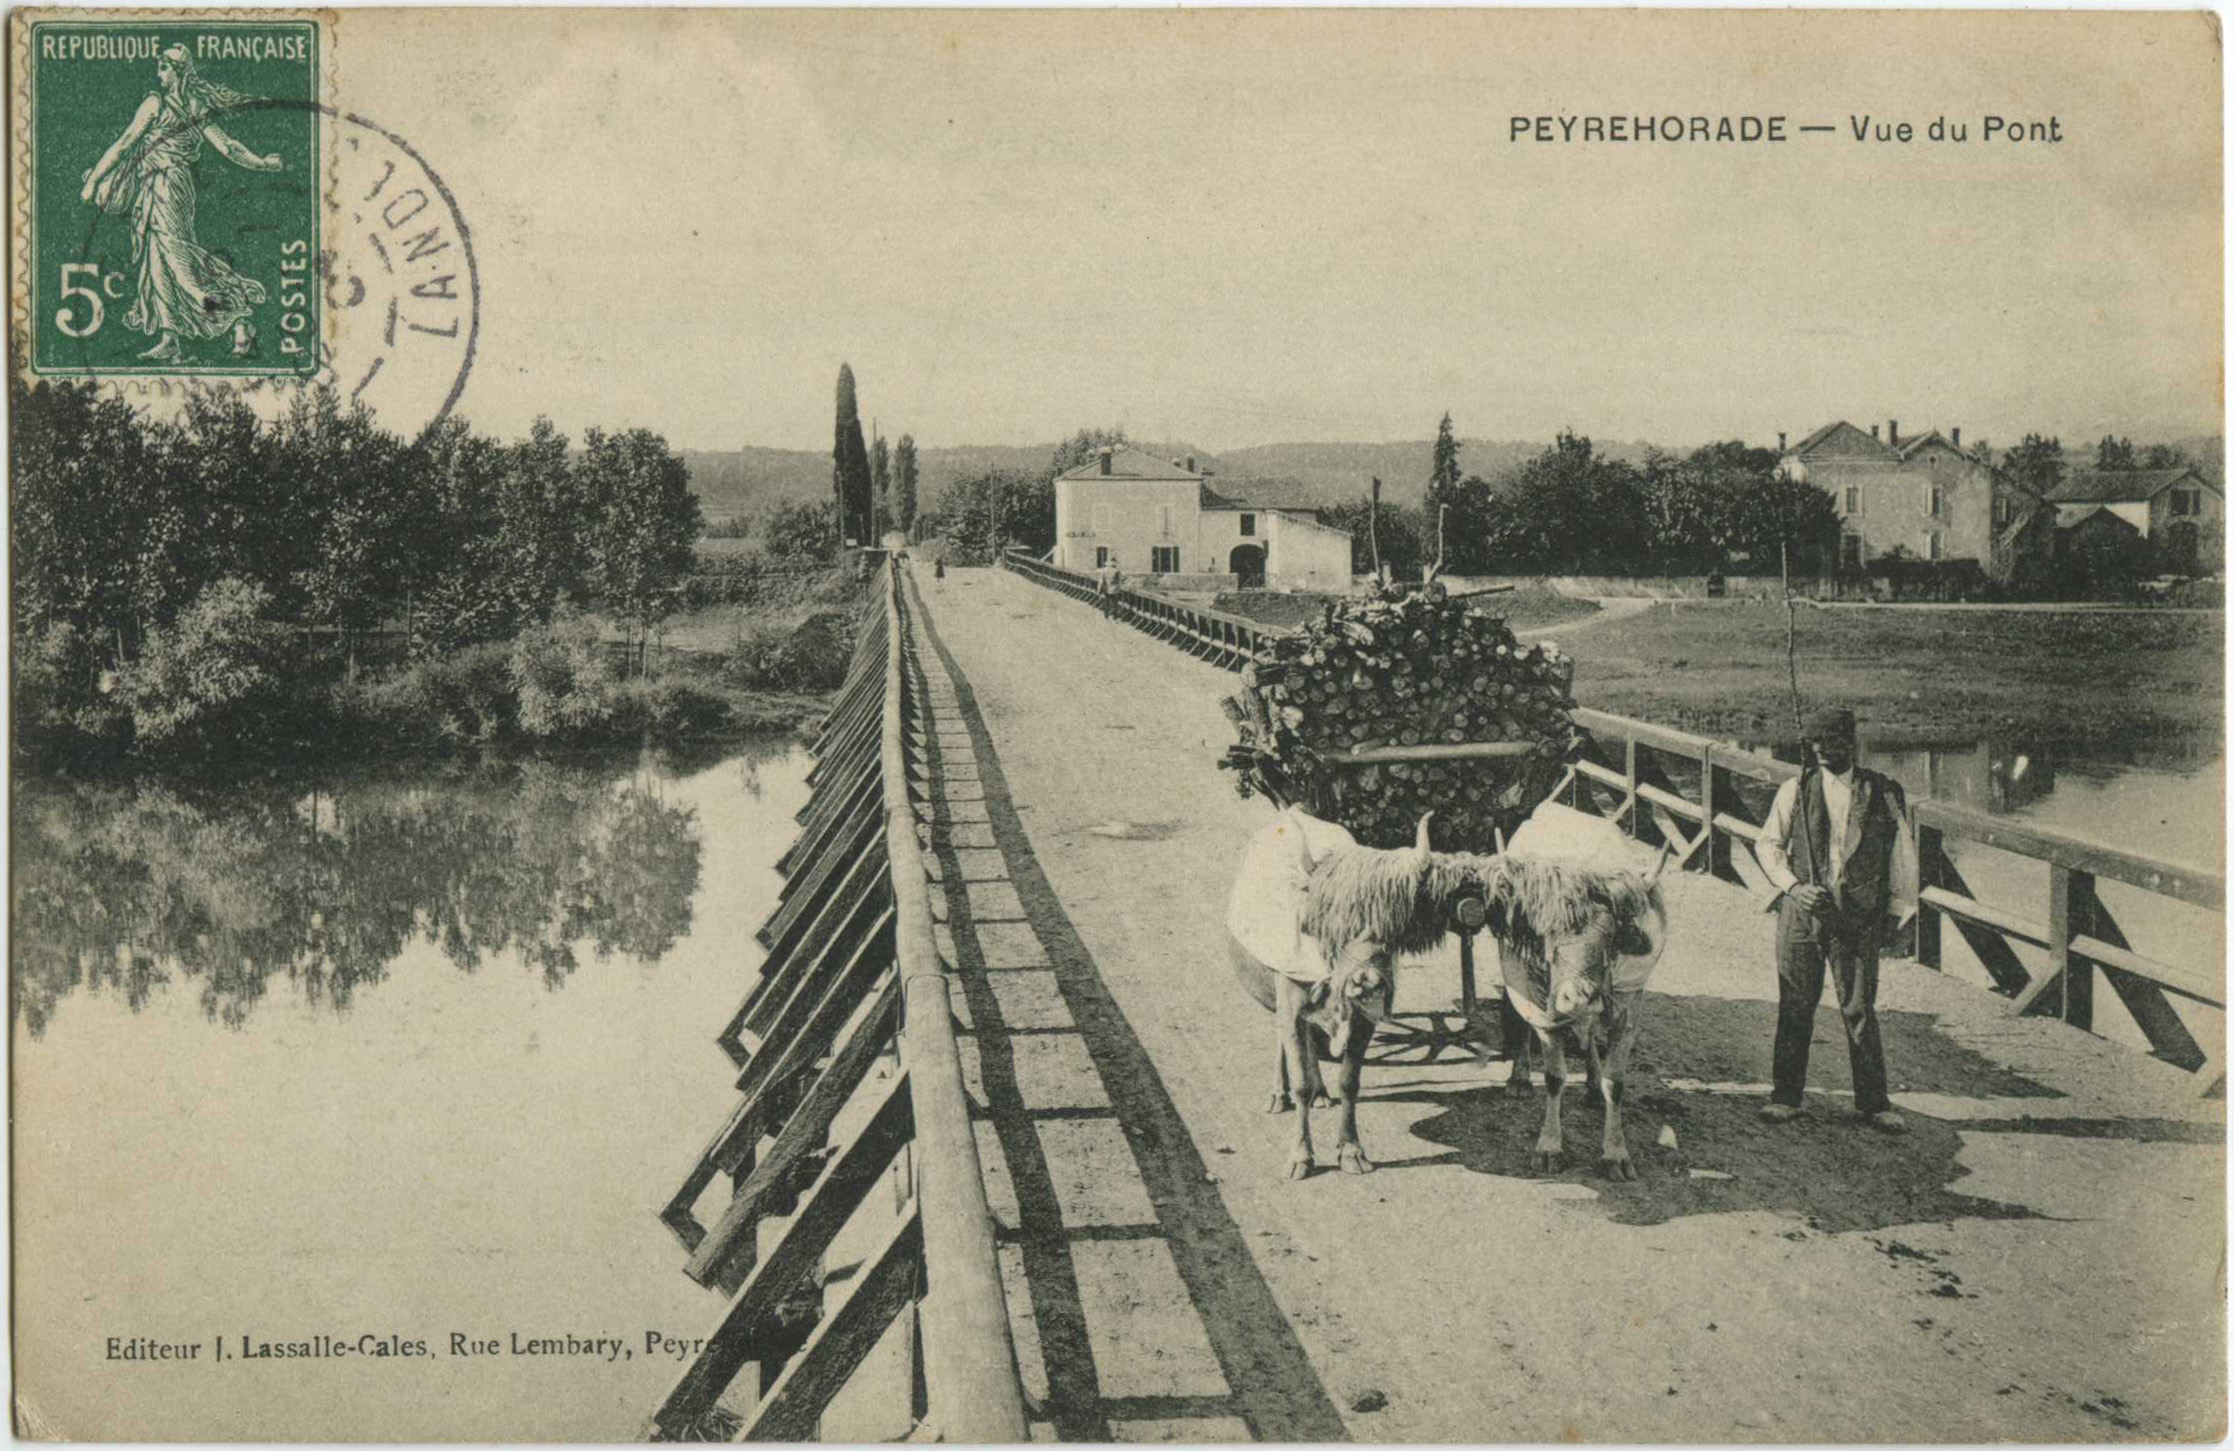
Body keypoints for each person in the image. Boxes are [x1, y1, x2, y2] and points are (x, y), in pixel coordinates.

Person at [1754, 705, 1918, 1133]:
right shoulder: (1795, 788)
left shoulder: (1881, 793)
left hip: (1857, 919)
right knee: (1795, 1004)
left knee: (1859, 1007)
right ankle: (1786, 1097)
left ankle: (1873, 1103)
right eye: (1817, 743)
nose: (1825, 750)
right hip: (1802, 913)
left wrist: (1899, 914)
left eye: (1834, 741)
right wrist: (1793, 886)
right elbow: (1768, 845)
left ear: (1852, 742)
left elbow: (1902, 859)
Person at [79, 46, 283, 363]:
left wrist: (94, 181)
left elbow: (124, 144)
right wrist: (264, 164)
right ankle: (170, 337)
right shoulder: (194, 105)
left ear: (177, 71)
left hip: (168, 186)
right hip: (157, 186)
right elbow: (228, 147)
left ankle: (237, 316)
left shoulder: (157, 104)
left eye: (162, 67)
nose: (158, 73)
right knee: (156, 261)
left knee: (178, 260)